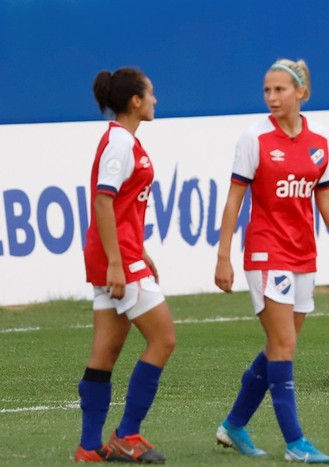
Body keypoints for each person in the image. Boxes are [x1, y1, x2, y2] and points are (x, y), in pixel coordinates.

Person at [214, 58, 329, 463]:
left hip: (303, 255)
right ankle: (296, 442)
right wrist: (224, 256)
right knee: (283, 345)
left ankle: (233, 425)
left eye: (280, 89)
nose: (271, 97)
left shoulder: (319, 141)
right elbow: (234, 200)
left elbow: (325, 198)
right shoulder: (254, 138)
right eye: (267, 90)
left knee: (280, 345)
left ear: (301, 92)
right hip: (265, 254)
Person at [75, 67, 174, 463]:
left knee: (105, 353)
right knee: (163, 340)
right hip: (117, 261)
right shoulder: (120, 144)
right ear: (135, 101)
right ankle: (126, 435)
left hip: (120, 254)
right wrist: (118, 262)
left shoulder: (123, 140)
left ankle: (88, 447)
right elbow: (102, 201)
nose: (155, 100)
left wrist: (139, 248)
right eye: (151, 94)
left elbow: (120, 207)